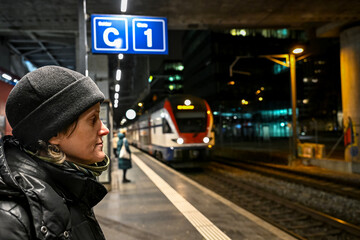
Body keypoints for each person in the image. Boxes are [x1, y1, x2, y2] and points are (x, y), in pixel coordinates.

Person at [0, 66, 110, 240]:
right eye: (93, 119)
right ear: (55, 133)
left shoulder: (67, 188)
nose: (105, 130)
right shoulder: (10, 218)